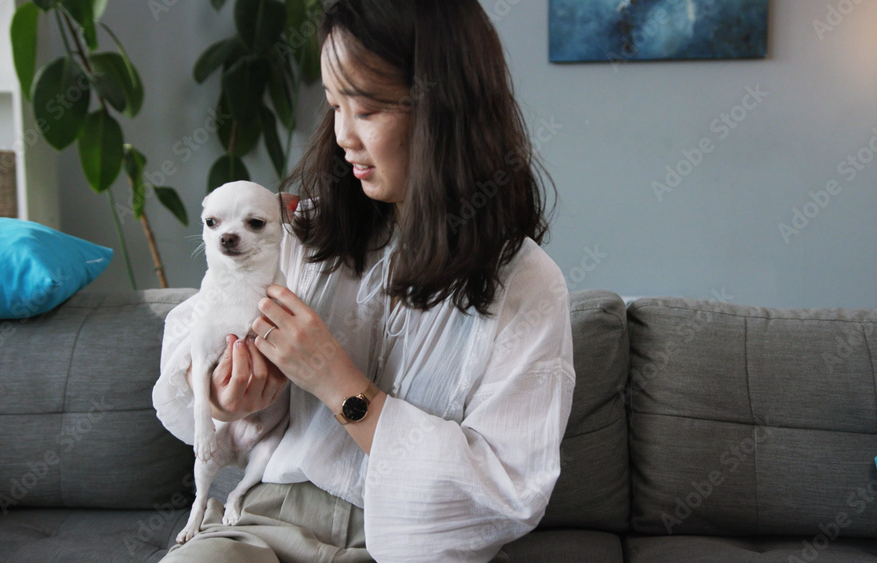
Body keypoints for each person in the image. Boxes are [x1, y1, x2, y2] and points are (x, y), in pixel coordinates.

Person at [153, 0, 575, 561]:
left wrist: (340, 385)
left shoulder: (527, 285)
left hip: (413, 544)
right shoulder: (296, 230)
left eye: (369, 110)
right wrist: (225, 398)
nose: (343, 135)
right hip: (264, 521)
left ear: (447, 111)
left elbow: (506, 492)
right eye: (333, 105)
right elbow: (199, 330)